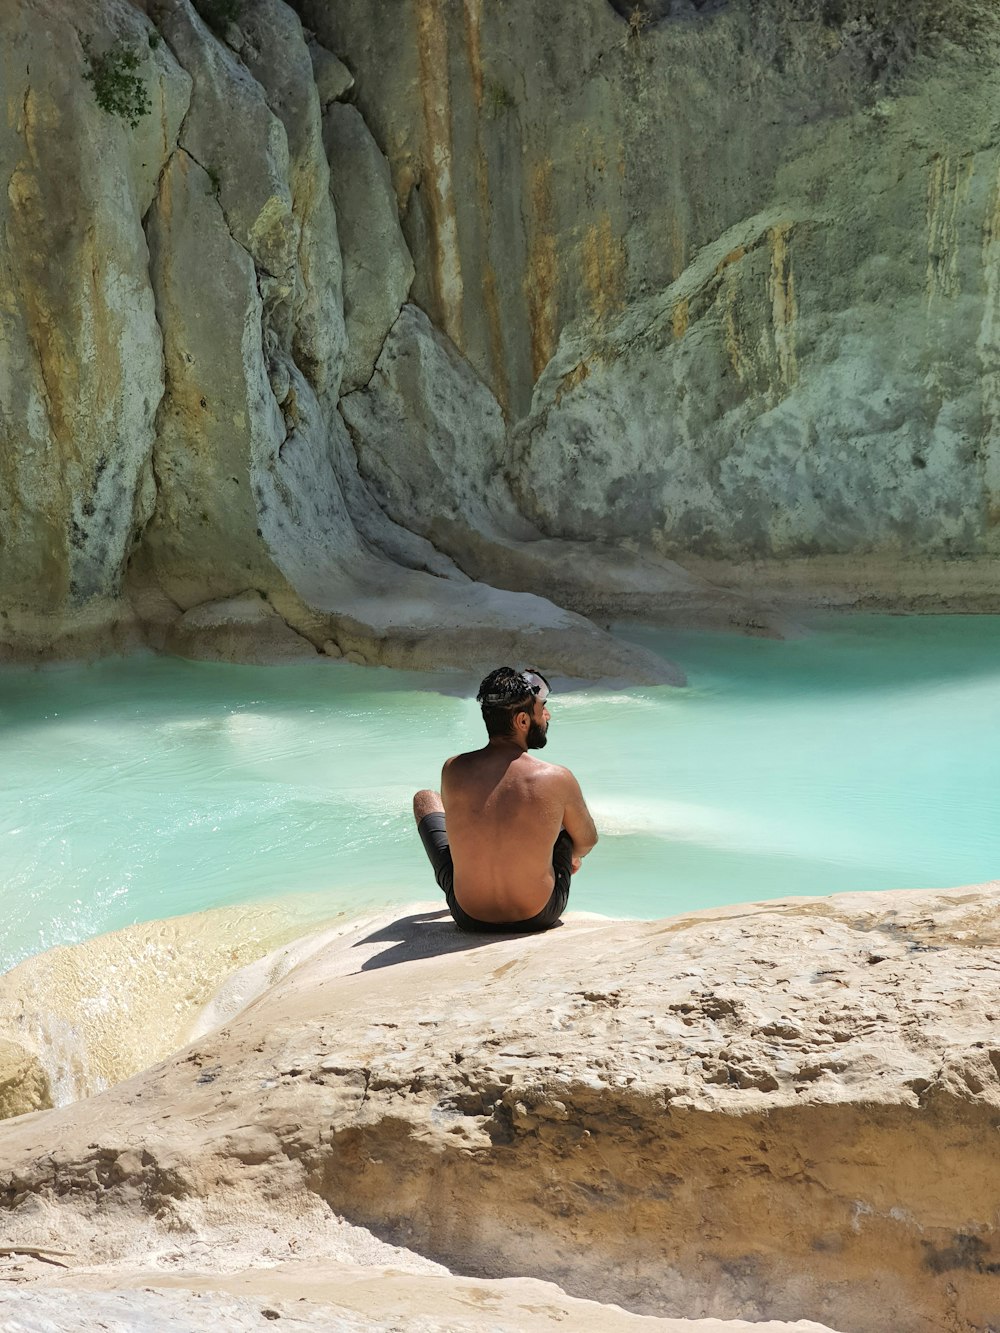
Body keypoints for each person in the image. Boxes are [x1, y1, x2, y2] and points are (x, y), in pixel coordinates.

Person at [413, 666, 598, 932]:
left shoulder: (453, 769)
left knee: (426, 799)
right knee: (562, 825)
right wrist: (567, 855)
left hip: (469, 916)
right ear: (522, 721)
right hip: (538, 914)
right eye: (541, 708)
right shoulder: (557, 777)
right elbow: (587, 841)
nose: (547, 715)